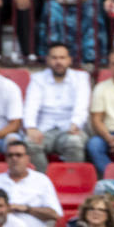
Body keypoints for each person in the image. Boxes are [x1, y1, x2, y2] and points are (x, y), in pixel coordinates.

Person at [23, 41, 90, 171]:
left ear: (69, 60)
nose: (58, 62)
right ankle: (44, 183)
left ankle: (71, 183)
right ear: (48, 60)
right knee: (30, 143)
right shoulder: (38, 78)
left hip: (70, 128)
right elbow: (31, 106)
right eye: (54, 58)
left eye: (62, 58)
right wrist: (31, 127)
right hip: (44, 130)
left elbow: (82, 105)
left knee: (74, 142)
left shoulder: (81, 78)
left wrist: (76, 123)